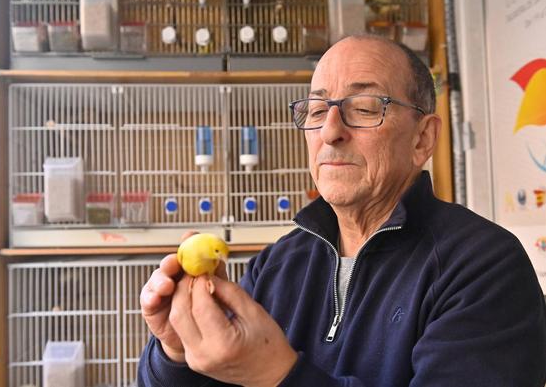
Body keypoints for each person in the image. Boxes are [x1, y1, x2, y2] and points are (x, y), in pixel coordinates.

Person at [137, 35, 546, 386]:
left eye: (365, 108)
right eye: (316, 111)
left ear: (423, 139)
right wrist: (176, 352)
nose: (330, 131)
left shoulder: (484, 267)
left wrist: (279, 374)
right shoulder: (278, 264)